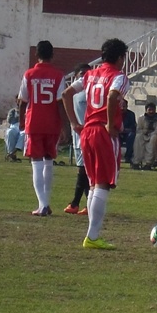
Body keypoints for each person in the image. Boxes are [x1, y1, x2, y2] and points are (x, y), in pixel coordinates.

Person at [62, 38, 131, 250]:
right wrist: (111, 124)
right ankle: (92, 237)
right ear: (120, 58)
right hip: (103, 131)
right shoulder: (119, 76)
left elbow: (66, 94)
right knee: (103, 183)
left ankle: (93, 235)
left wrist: (74, 122)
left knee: (93, 184)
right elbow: (111, 97)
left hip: (87, 131)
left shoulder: (90, 74)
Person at [18, 40, 67, 216]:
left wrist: (21, 122)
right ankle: (45, 203)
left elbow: (22, 101)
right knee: (48, 161)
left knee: (36, 163)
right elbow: (61, 103)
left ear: (36, 55)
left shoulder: (29, 74)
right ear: (52, 55)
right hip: (52, 123)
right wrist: (64, 126)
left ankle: (43, 204)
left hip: (35, 122)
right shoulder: (58, 75)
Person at [64, 64, 91, 215]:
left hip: (89, 136)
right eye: (81, 75)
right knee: (83, 170)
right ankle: (86, 204)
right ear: (75, 77)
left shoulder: (91, 93)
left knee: (84, 170)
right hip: (77, 136)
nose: (84, 78)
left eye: (87, 74)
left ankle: (75, 203)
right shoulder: (72, 94)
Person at [131, 102, 157, 170]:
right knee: (138, 137)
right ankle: (136, 162)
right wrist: (145, 132)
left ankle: (148, 163)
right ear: (146, 110)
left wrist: (151, 134)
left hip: (153, 135)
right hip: (143, 134)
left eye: (153, 110)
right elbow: (138, 129)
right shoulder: (141, 118)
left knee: (153, 140)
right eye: (149, 110)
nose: (151, 111)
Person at [5, 95, 25, 162]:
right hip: (14, 126)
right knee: (10, 132)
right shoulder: (13, 111)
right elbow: (9, 120)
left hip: (23, 126)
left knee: (24, 133)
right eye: (18, 100)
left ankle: (13, 152)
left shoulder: (28, 110)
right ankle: (12, 154)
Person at [120, 99, 136, 164]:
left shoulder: (131, 114)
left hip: (127, 133)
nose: (122, 108)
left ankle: (128, 157)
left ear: (127, 106)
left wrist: (125, 130)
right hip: (117, 133)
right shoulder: (114, 113)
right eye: (121, 106)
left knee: (132, 136)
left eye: (124, 106)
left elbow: (133, 127)